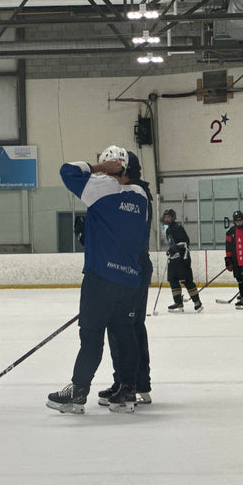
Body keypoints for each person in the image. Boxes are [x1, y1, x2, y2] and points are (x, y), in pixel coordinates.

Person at [47, 145, 149, 415]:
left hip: (100, 278)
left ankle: (78, 391)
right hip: (128, 280)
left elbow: (66, 171)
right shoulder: (141, 196)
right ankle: (126, 390)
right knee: (125, 334)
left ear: (114, 168)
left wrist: (100, 169)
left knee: (91, 336)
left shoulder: (101, 188)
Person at [102, 151, 155, 406]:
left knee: (129, 326)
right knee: (119, 326)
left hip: (133, 267)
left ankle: (133, 384)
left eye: (114, 171)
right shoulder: (128, 192)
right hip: (123, 267)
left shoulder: (137, 193)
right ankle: (124, 379)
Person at [161, 209, 203, 312]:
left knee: (187, 280)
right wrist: (170, 250)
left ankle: (197, 303)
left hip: (182, 258)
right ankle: (178, 303)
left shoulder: (177, 228)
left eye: (169, 217)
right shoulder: (168, 229)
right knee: (173, 280)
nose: (167, 219)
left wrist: (176, 249)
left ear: (173, 218)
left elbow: (185, 243)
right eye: (165, 217)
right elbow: (172, 244)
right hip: (173, 259)